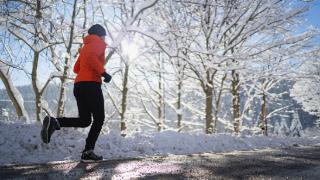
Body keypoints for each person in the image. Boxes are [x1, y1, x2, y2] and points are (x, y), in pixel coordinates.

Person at [40, 24, 112, 162]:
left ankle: (55, 122)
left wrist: (90, 70)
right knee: (99, 118)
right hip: (91, 85)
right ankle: (88, 151)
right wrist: (103, 73)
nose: (105, 38)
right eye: (104, 35)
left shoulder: (85, 47)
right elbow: (91, 58)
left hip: (79, 85)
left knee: (85, 121)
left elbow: (76, 68)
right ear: (99, 34)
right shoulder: (98, 43)